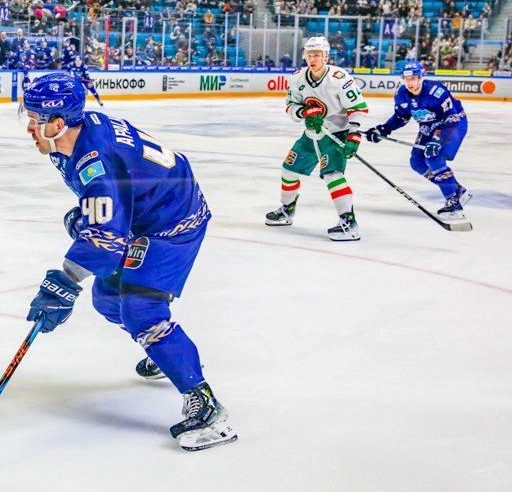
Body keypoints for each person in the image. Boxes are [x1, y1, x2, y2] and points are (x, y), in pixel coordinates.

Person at [21, 72, 235, 452]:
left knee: (140, 308)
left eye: (36, 119)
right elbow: (116, 196)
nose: (29, 127)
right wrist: (93, 215)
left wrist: (65, 281)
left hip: (171, 222)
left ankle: (207, 407)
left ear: (58, 123)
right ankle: (164, 351)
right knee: (107, 299)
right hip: (147, 213)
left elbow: (105, 241)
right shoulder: (75, 136)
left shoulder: (94, 160)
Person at [265, 36, 368, 241]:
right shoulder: (297, 78)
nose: (312, 59)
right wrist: (304, 112)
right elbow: (290, 106)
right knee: (289, 169)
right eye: (309, 55)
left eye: (317, 55)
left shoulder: (340, 79)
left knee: (332, 175)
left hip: (336, 134)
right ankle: (287, 210)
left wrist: (354, 134)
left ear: (326, 56)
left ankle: (349, 222)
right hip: (312, 135)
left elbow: (358, 108)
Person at [365, 62, 470, 221]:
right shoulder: (401, 94)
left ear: (421, 77)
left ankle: (453, 203)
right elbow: (401, 117)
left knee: (434, 158)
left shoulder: (436, 92)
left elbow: (452, 119)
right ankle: (456, 190)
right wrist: (384, 129)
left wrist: (437, 140)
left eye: (413, 78)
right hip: (428, 126)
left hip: (453, 124)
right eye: (406, 79)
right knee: (417, 162)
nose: (410, 83)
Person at [61, 38, 102, 105]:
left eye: (79, 61)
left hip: (83, 78)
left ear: (81, 61)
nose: (78, 63)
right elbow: (68, 73)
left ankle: (98, 99)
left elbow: (87, 76)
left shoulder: (84, 67)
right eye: (76, 61)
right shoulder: (71, 65)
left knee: (90, 86)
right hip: (74, 80)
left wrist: (86, 80)